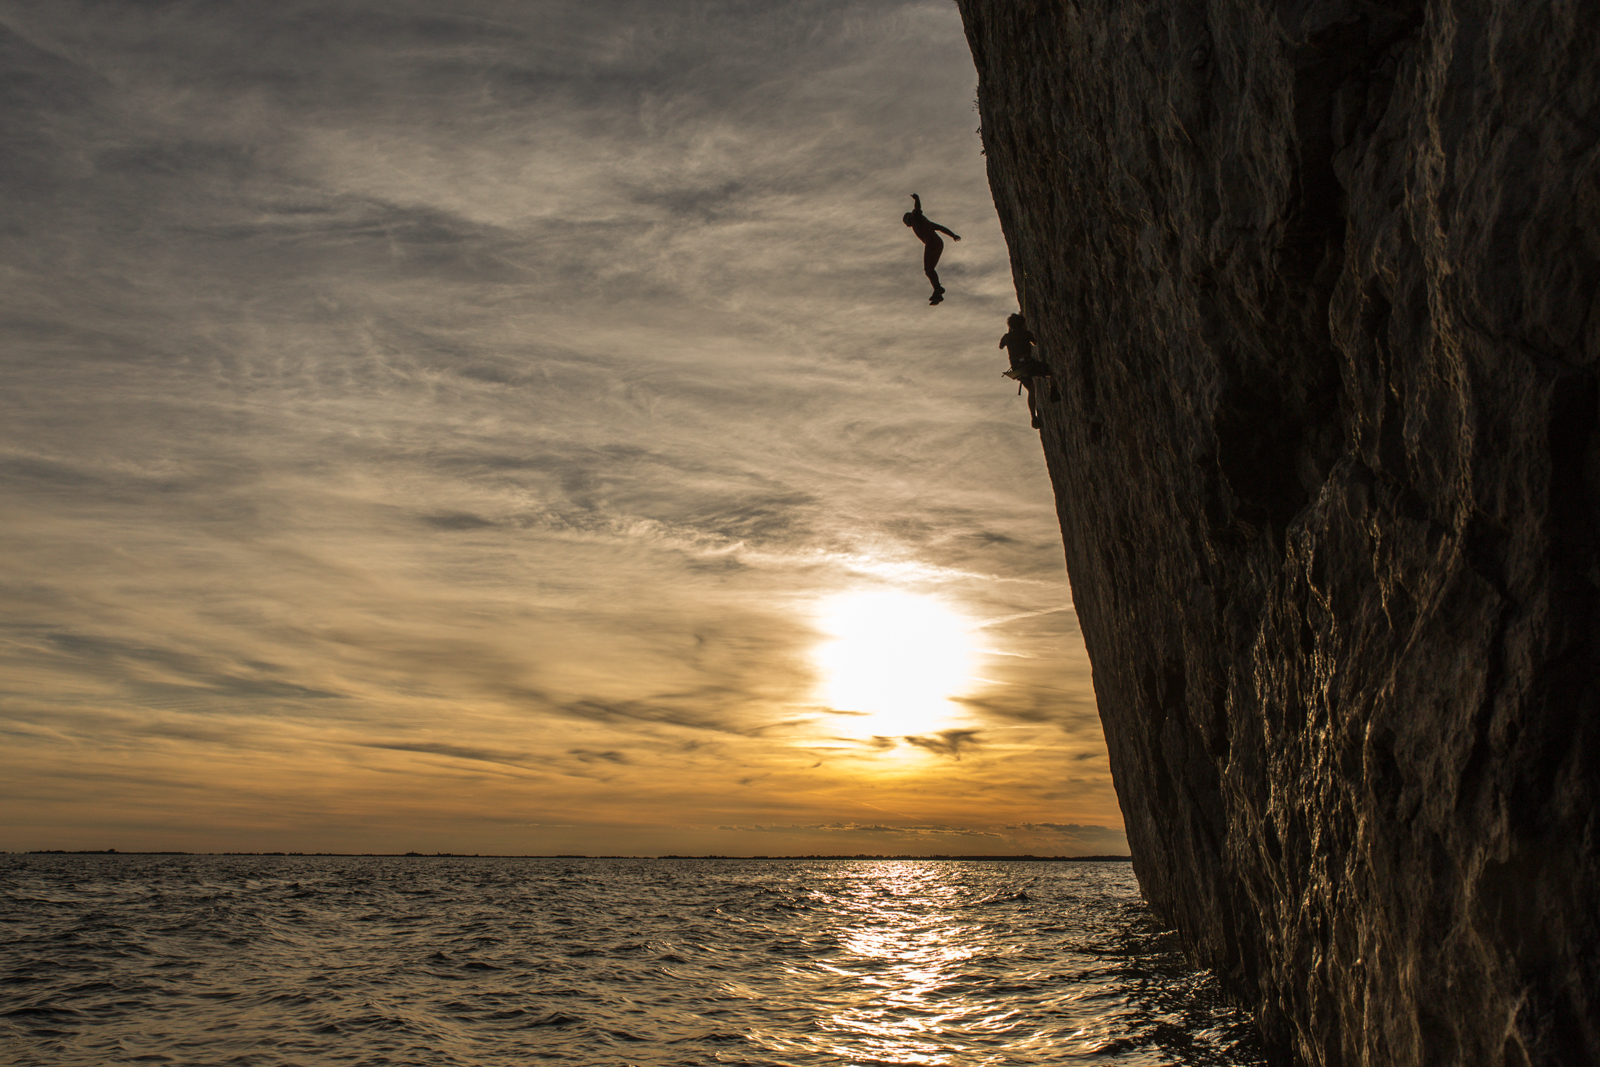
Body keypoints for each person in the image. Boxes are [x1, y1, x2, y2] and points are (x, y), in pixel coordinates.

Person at [999, 313, 1057, 429]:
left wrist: (1009, 334)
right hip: (1028, 364)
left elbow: (1001, 346)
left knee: (1031, 390)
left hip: (1018, 369)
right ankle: (1053, 392)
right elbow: (1034, 343)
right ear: (1022, 324)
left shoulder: (1007, 337)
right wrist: (1025, 332)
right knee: (1051, 372)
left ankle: (1033, 417)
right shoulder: (1026, 333)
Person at [903, 194, 960, 303]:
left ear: (909, 220)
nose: (908, 226)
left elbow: (917, 209)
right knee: (929, 270)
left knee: (928, 270)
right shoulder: (924, 222)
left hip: (932, 243)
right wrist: (953, 235)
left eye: (907, 223)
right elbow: (940, 227)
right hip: (938, 243)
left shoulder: (916, 218)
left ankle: (938, 289)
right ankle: (937, 290)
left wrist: (917, 199)